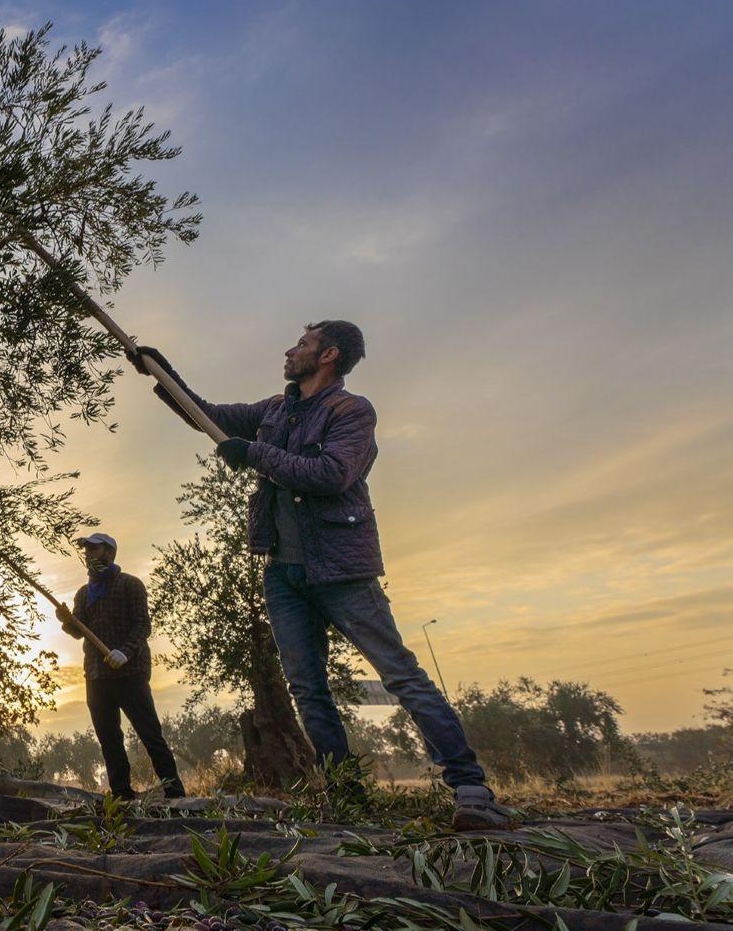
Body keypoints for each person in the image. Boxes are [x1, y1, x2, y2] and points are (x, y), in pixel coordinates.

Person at [131, 321, 512, 831]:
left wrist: (254, 454)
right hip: (283, 573)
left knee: (400, 674)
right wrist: (163, 375)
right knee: (308, 689)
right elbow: (210, 417)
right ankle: (345, 795)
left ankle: (470, 787)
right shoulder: (274, 409)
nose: (290, 350)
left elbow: (333, 474)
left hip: (341, 568)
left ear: (328, 355)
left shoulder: (351, 412)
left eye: (302, 345)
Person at [56, 532, 185, 800]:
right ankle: (122, 795)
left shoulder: (131, 585)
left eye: (95, 549)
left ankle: (176, 793)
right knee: (109, 740)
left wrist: (125, 653)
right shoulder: (83, 593)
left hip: (131, 674)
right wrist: (66, 620)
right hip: (96, 675)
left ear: (111, 553)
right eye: (87, 550)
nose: (89, 554)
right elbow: (78, 631)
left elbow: (142, 625)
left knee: (151, 736)